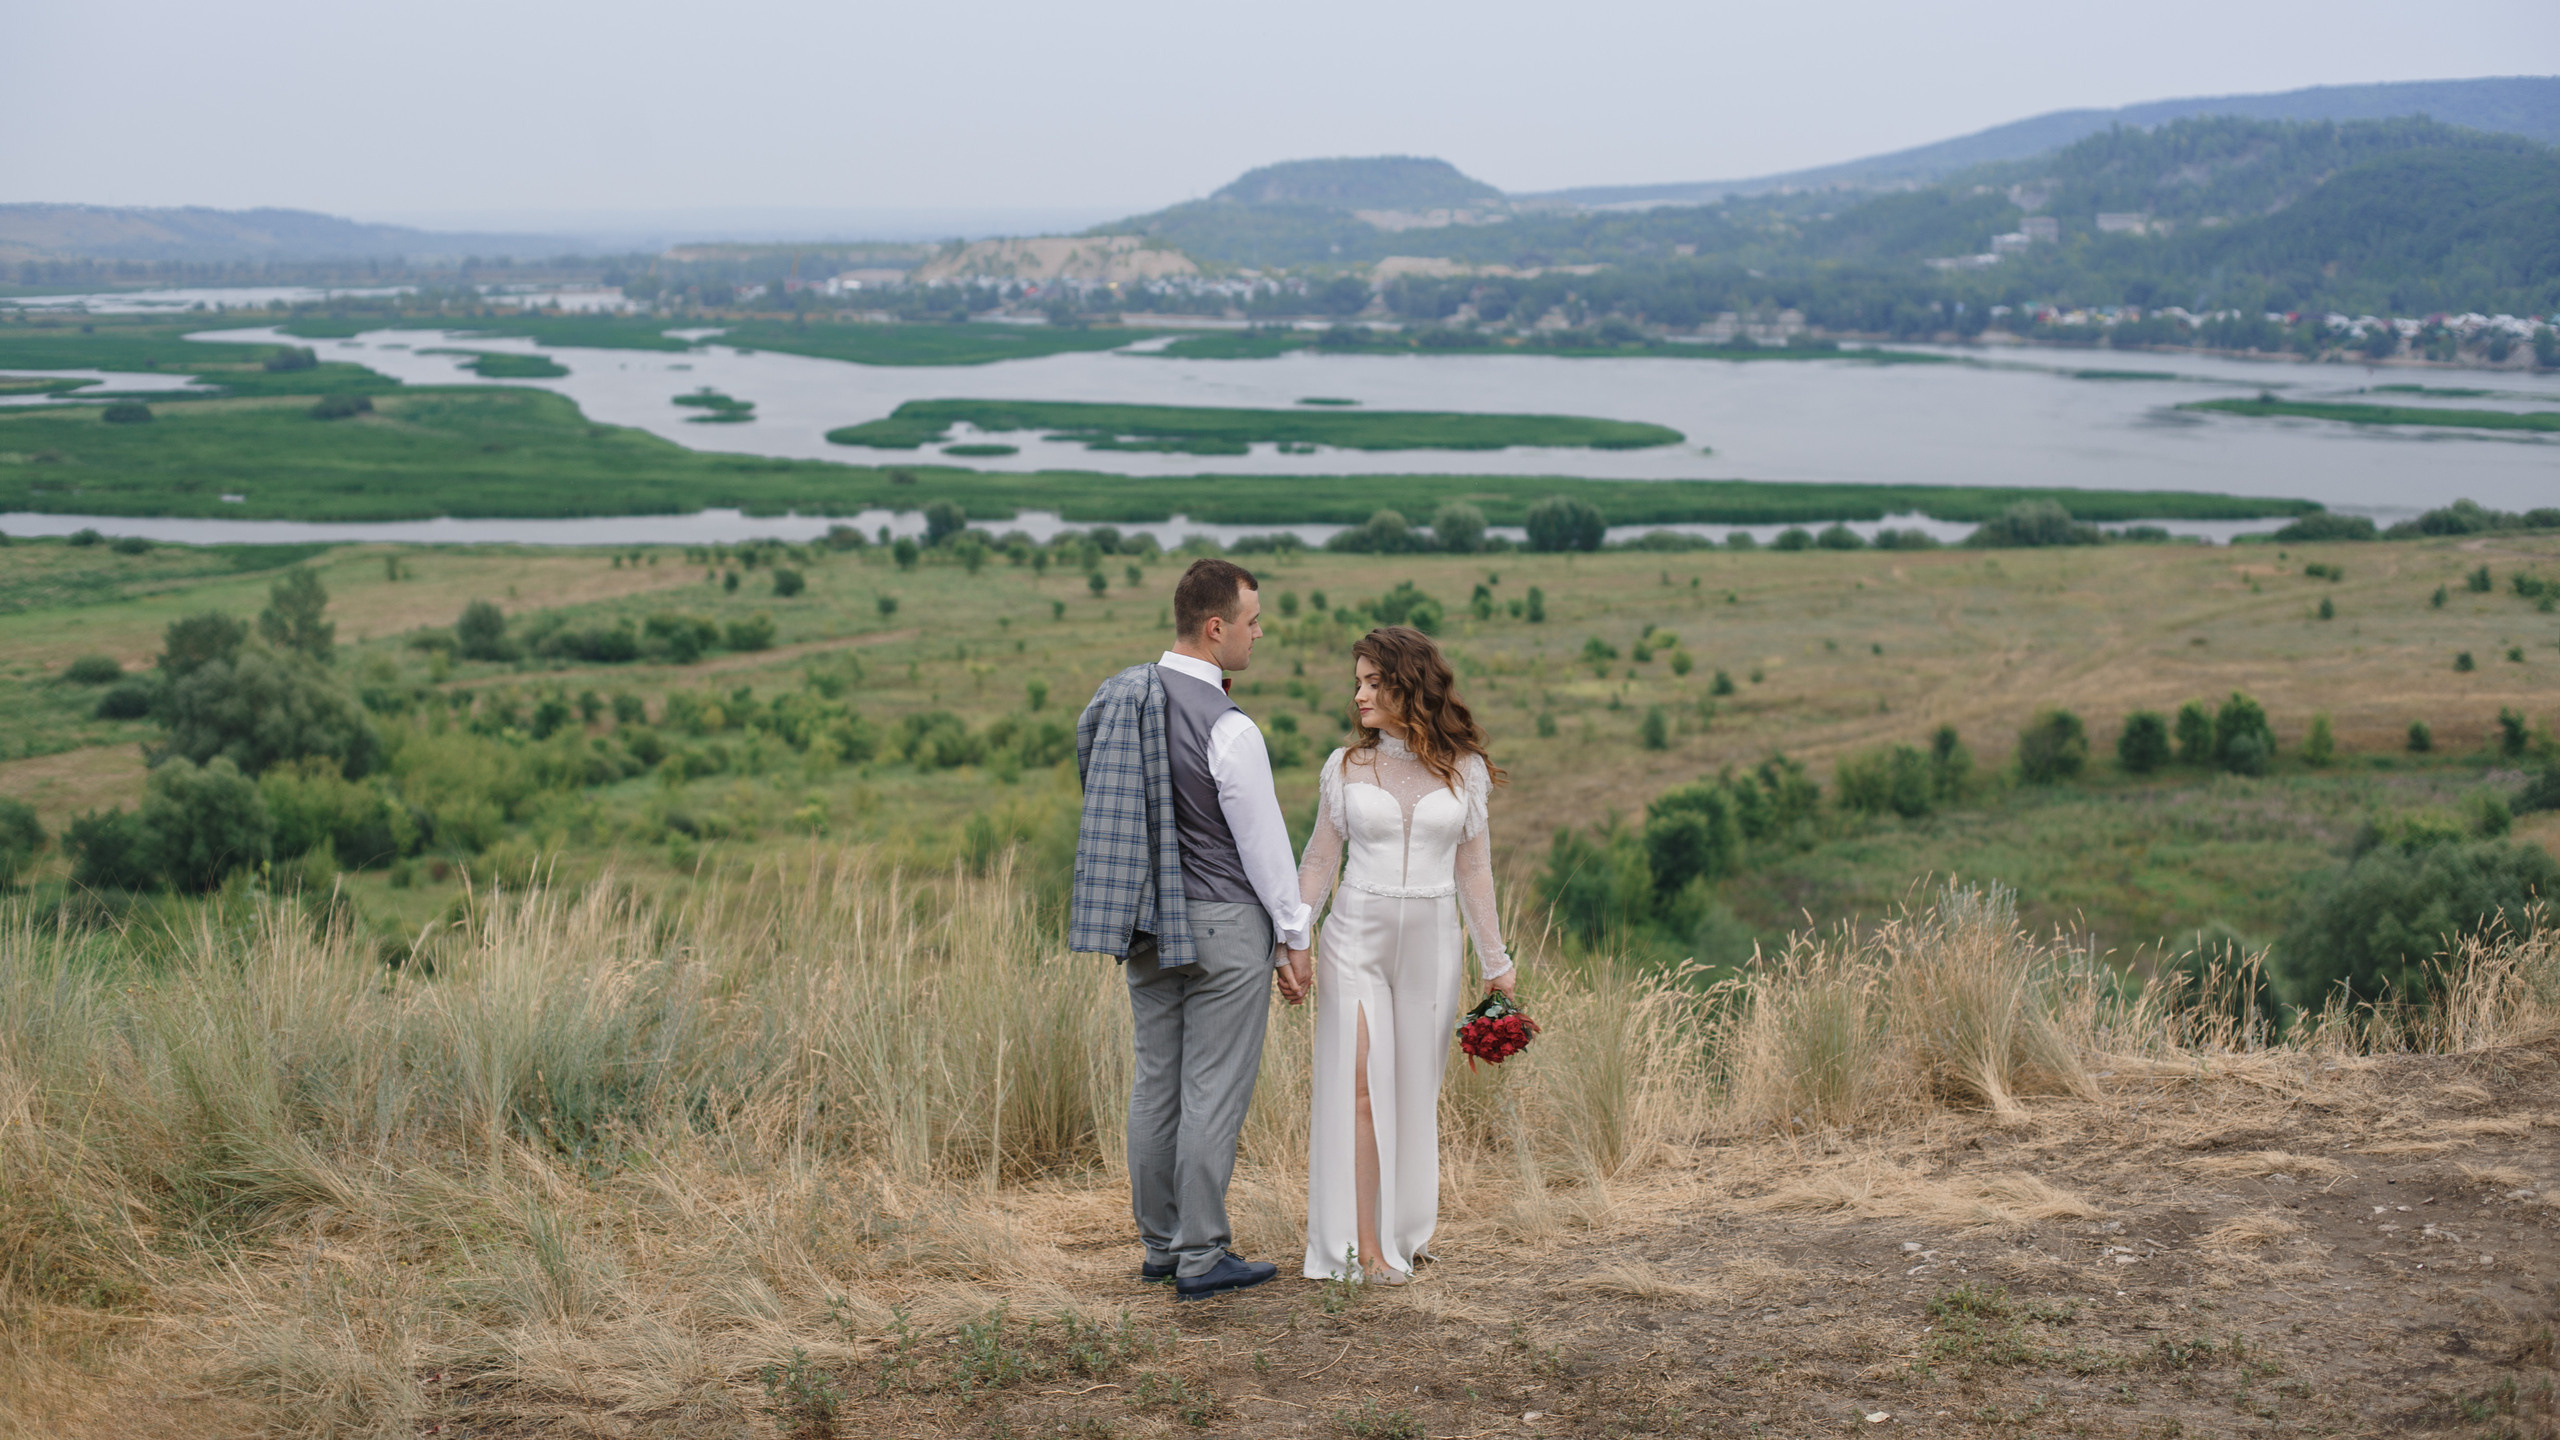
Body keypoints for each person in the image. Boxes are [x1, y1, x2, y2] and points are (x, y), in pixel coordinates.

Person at [1071, 557, 1314, 1303]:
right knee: (1212, 1088)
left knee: (1156, 1085)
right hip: (1222, 929)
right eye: (1252, 621)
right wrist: (1294, 936)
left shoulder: (1119, 698)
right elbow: (1264, 846)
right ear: (1216, 629)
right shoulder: (1229, 728)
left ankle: (1160, 1246)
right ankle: (1204, 1255)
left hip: (1145, 921)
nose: (1258, 634)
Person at [1291, 625, 1513, 1285]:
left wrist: (1494, 958)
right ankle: (1366, 1251)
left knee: (1414, 1091)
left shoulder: (1464, 769)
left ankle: (1403, 1232)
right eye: (1357, 681)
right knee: (1359, 1087)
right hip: (1353, 937)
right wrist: (1295, 939)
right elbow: (1319, 861)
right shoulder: (1346, 766)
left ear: (1405, 684)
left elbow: (1475, 871)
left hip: (1432, 949)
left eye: (1370, 681)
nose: (1357, 694)